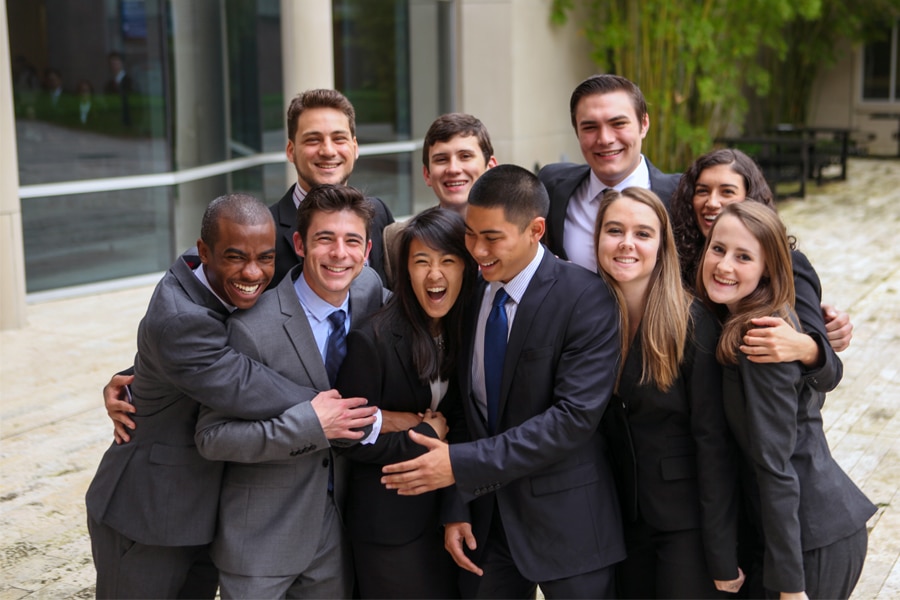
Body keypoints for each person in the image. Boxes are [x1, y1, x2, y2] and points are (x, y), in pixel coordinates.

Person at [84, 194, 370, 599]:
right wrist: (348, 413)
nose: (253, 271)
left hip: (204, 512)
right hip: (147, 511)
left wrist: (136, 374)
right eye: (236, 258)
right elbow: (248, 383)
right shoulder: (181, 319)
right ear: (205, 253)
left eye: (265, 258)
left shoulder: (221, 260)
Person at [381, 164, 625, 599]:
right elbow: (463, 407)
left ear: (535, 230)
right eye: (470, 234)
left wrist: (459, 465)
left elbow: (571, 421)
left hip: (569, 524)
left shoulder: (586, 298)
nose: (476, 249)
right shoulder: (471, 293)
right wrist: (457, 506)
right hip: (487, 530)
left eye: (491, 238)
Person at [193, 184, 384, 599]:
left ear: (367, 251)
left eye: (352, 241)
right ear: (299, 244)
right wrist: (309, 425)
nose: (339, 253)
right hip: (261, 541)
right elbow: (212, 437)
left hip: (339, 538)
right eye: (324, 239)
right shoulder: (249, 329)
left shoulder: (370, 291)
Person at [697, 202, 875, 599]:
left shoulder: (763, 337)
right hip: (793, 535)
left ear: (768, 270)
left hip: (812, 537)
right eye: (718, 249)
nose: (725, 265)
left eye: (744, 256)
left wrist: (791, 589)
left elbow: (775, 465)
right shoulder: (734, 319)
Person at [594, 187, 743, 598]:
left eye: (643, 233)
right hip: (621, 521)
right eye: (614, 230)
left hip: (686, 524)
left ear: (662, 246)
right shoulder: (588, 320)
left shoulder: (693, 324)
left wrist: (721, 553)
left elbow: (714, 445)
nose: (627, 243)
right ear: (597, 240)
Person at [335, 207, 477, 598]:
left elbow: (463, 426)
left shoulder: (468, 327)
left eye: (448, 261)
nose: (435, 275)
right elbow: (346, 437)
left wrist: (455, 510)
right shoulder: (374, 339)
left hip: (447, 516)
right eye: (421, 262)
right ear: (404, 270)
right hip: (389, 527)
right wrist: (423, 434)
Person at [670, 148, 848, 388]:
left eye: (727, 192)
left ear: (750, 201)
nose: (712, 202)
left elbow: (830, 374)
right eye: (702, 191)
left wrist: (806, 347)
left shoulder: (789, 265)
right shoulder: (680, 261)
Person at [539, 74, 681, 273]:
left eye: (618, 124)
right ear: (577, 132)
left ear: (644, 124)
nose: (605, 139)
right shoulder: (552, 185)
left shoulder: (681, 197)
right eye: (590, 127)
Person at [270, 89, 394, 287]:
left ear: (355, 148)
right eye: (313, 140)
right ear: (291, 151)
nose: (328, 151)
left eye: (339, 139)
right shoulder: (266, 230)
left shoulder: (379, 214)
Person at [382, 112, 497, 287]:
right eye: (441, 159)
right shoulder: (397, 239)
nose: (453, 169)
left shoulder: (518, 235)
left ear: (490, 168)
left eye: (465, 156)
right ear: (427, 174)